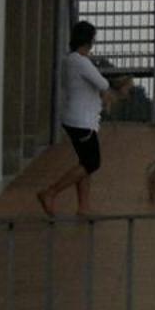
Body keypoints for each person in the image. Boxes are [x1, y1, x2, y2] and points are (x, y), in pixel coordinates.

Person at [36, 21, 129, 216]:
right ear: (88, 40)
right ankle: (50, 192)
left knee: (84, 162)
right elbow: (103, 83)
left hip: (75, 119)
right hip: (82, 121)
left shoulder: (70, 60)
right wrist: (115, 89)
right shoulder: (81, 61)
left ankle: (83, 206)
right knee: (92, 162)